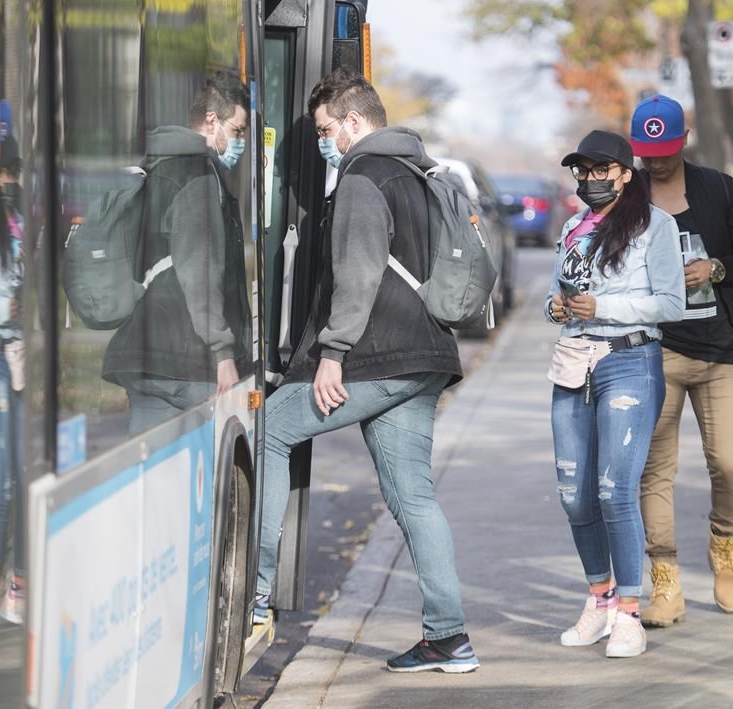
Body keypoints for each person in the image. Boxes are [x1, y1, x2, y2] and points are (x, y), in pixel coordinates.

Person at [254, 68, 477, 674]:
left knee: (270, 428)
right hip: (427, 355)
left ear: (355, 121)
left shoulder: (363, 176)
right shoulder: (423, 172)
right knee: (415, 498)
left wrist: (332, 354)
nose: (326, 140)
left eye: (328, 128)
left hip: (377, 354)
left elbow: (358, 273)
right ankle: (448, 637)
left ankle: (252, 594)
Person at [630, 94, 733, 625]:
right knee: (654, 471)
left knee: (729, 464)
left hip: (718, 352)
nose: (656, 161)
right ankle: (665, 582)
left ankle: (724, 545)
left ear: (683, 141)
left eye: (665, 150)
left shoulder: (719, 189)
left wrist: (715, 268)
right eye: (647, 151)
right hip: (654, 351)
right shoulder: (629, 194)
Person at [546, 129, 684, 658]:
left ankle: (630, 612)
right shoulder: (573, 227)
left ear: (626, 173)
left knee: (613, 492)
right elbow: (556, 293)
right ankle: (600, 601)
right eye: (581, 170)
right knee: (573, 494)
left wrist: (603, 310)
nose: (589, 178)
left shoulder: (656, 226)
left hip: (629, 362)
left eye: (601, 169)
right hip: (572, 363)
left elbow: (671, 303)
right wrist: (556, 308)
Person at [102, 71, 252, 434]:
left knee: (155, 473)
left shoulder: (159, 164)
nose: (240, 141)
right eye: (238, 130)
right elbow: (199, 268)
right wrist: (223, 352)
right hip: (189, 359)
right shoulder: (199, 175)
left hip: (145, 354)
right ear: (212, 121)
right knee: (215, 460)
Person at [0, 134, 27, 624]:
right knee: (4, 480)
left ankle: (14, 580)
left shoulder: (24, 221)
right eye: (6, 173)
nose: (11, 181)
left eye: (16, 173)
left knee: (20, 473)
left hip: (25, 354)